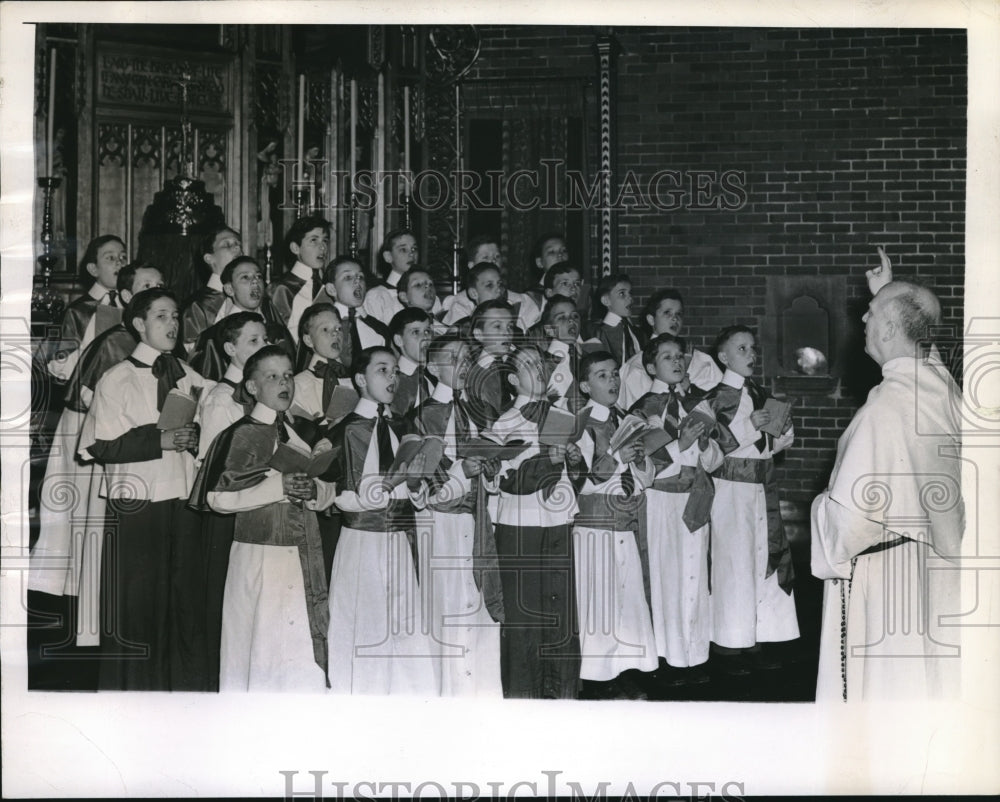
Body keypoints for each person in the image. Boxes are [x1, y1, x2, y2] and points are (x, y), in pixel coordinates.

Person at [811, 251, 963, 701]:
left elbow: (849, 526)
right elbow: (922, 353)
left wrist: (820, 506)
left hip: (884, 578)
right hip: (929, 569)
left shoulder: (882, 411)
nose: (863, 315)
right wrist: (889, 296)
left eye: (872, 313)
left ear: (892, 330)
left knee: (880, 699)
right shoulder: (939, 391)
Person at [77, 288, 210, 690]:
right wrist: (160, 440)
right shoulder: (115, 378)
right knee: (137, 606)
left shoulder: (188, 375)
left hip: (181, 497)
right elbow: (99, 445)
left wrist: (192, 435)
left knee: (180, 599)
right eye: (161, 316)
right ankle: (132, 693)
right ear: (138, 323)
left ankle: (179, 692)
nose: (172, 324)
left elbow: (203, 425)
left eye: (176, 316)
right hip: (137, 502)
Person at [30, 262, 164, 651]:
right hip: (98, 443)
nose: (155, 289)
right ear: (125, 298)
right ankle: (88, 624)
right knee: (91, 527)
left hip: (136, 451)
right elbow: (86, 396)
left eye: (159, 284)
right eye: (145, 286)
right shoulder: (112, 341)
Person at [190, 346, 334, 691]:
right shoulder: (240, 433)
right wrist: (278, 486)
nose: (284, 382)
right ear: (252, 387)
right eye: (272, 376)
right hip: (262, 558)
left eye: (287, 375)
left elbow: (327, 487)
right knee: (263, 650)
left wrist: (314, 491)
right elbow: (217, 497)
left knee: (297, 647)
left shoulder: (299, 432)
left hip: (301, 554)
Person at [325, 346, 438, 694]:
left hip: (399, 539)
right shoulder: (345, 430)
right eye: (382, 370)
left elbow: (415, 488)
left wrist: (417, 486)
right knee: (365, 619)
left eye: (395, 371)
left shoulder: (404, 427)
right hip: (364, 539)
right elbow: (336, 493)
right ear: (361, 379)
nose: (393, 378)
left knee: (404, 621)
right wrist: (377, 490)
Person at [409, 334, 503, 696]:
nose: (464, 365)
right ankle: (448, 695)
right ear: (433, 367)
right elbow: (426, 486)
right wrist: (464, 471)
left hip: (476, 519)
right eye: (454, 358)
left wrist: (491, 470)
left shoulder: (478, 410)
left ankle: (482, 693)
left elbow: (489, 473)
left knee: (477, 605)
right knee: (448, 607)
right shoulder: (423, 416)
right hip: (442, 525)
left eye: (468, 358)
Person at [485, 343, 582, 698]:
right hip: (521, 526)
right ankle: (525, 693)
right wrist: (550, 461)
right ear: (513, 379)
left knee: (558, 607)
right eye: (529, 367)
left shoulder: (559, 415)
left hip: (556, 521)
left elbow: (575, 480)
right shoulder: (506, 421)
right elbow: (511, 481)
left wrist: (572, 456)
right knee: (526, 614)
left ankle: (560, 689)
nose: (540, 372)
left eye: (542, 366)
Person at [704, 325, 799, 674]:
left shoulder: (759, 393)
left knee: (761, 556)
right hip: (730, 492)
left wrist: (782, 437)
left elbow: (765, 447)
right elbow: (709, 453)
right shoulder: (713, 398)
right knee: (734, 561)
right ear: (723, 357)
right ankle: (729, 642)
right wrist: (749, 428)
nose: (751, 355)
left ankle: (758, 634)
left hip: (760, 488)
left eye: (753, 348)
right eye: (741, 349)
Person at [630, 334, 723, 685]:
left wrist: (702, 444)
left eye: (680, 356)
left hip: (695, 494)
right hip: (661, 500)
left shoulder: (697, 403)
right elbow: (641, 466)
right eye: (667, 357)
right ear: (651, 366)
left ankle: (695, 653)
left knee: (694, 572)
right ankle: (668, 656)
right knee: (666, 573)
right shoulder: (644, 408)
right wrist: (678, 446)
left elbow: (715, 461)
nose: (677, 362)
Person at [573, 350, 657, 699]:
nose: (612, 381)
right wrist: (617, 458)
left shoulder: (629, 420)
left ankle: (626, 664)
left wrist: (639, 461)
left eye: (614, 374)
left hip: (626, 517)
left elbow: (648, 477)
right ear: (584, 385)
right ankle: (597, 673)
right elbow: (580, 479)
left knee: (627, 596)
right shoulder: (580, 424)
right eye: (602, 375)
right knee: (601, 600)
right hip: (595, 522)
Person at [189, 256, 293, 380]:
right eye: (245, 277)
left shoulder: (278, 333)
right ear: (229, 289)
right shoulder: (213, 338)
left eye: (258, 276)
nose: (255, 281)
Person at [620, 288, 722, 410]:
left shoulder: (703, 361)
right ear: (651, 319)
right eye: (667, 313)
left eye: (679, 314)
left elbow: (719, 404)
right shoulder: (635, 367)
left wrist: (690, 390)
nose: (675, 319)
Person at [46, 234, 127, 381]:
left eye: (123, 257)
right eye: (110, 258)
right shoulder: (78, 311)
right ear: (93, 269)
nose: (119, 263)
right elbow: (60, 364)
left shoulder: (132, 306)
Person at [267, 214, 330, 343]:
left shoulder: (329, 286)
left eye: (325, 240)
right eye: (314, 240)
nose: (322, 247)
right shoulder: (281, 289)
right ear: (295, 248)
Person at [181, 226, 243, 352]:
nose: (237, 248)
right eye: (227, 245)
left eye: (238, 244)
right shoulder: (196, 306)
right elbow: (194, 354)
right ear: (209, 258)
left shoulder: (250, 296)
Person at [321, 255, 389, 369]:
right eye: (348, 277)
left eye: (361, 277)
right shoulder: (322, 325)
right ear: (331, 289)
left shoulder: (378, 328)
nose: (357, 281)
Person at [364, 228, 442, 323]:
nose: (411, 254)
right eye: (403, 249)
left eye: (414, 249)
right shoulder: (377, 297)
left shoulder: (430, 296)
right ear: (388, 257)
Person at [462, 299, 517, 430]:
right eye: (497, 326)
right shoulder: (473, 377)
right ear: (479, 335)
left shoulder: (516, 365)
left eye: (510, 326)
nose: (506, 333)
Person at [442, 262, 540, 333]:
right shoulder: (463, 329)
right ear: (473, 293)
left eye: (499, 284)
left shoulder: (515, 330)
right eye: (489, 285)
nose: (498, 290)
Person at [292, 304, 350, 421]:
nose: (335, 333)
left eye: (338, 328)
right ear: (308, 340)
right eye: (325, 329)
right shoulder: (297, 386)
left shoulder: (355, 378)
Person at [585, 273, 644, 367]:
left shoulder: (637, 333)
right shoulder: (598, 333)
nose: (630, 299)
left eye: (630, 293)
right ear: (606, 301)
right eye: (622, 294)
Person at [387, 307, 436, 419]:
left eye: (427, 331)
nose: (425, 338)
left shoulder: (433, 376)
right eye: (416, 332)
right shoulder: (393, 383)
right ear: (399, 340)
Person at [523, 232, 569, 311]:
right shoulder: (531, 297)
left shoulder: (579, 291)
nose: (560, 255)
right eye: (552, 252)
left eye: (563, 250)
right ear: (540, 262)